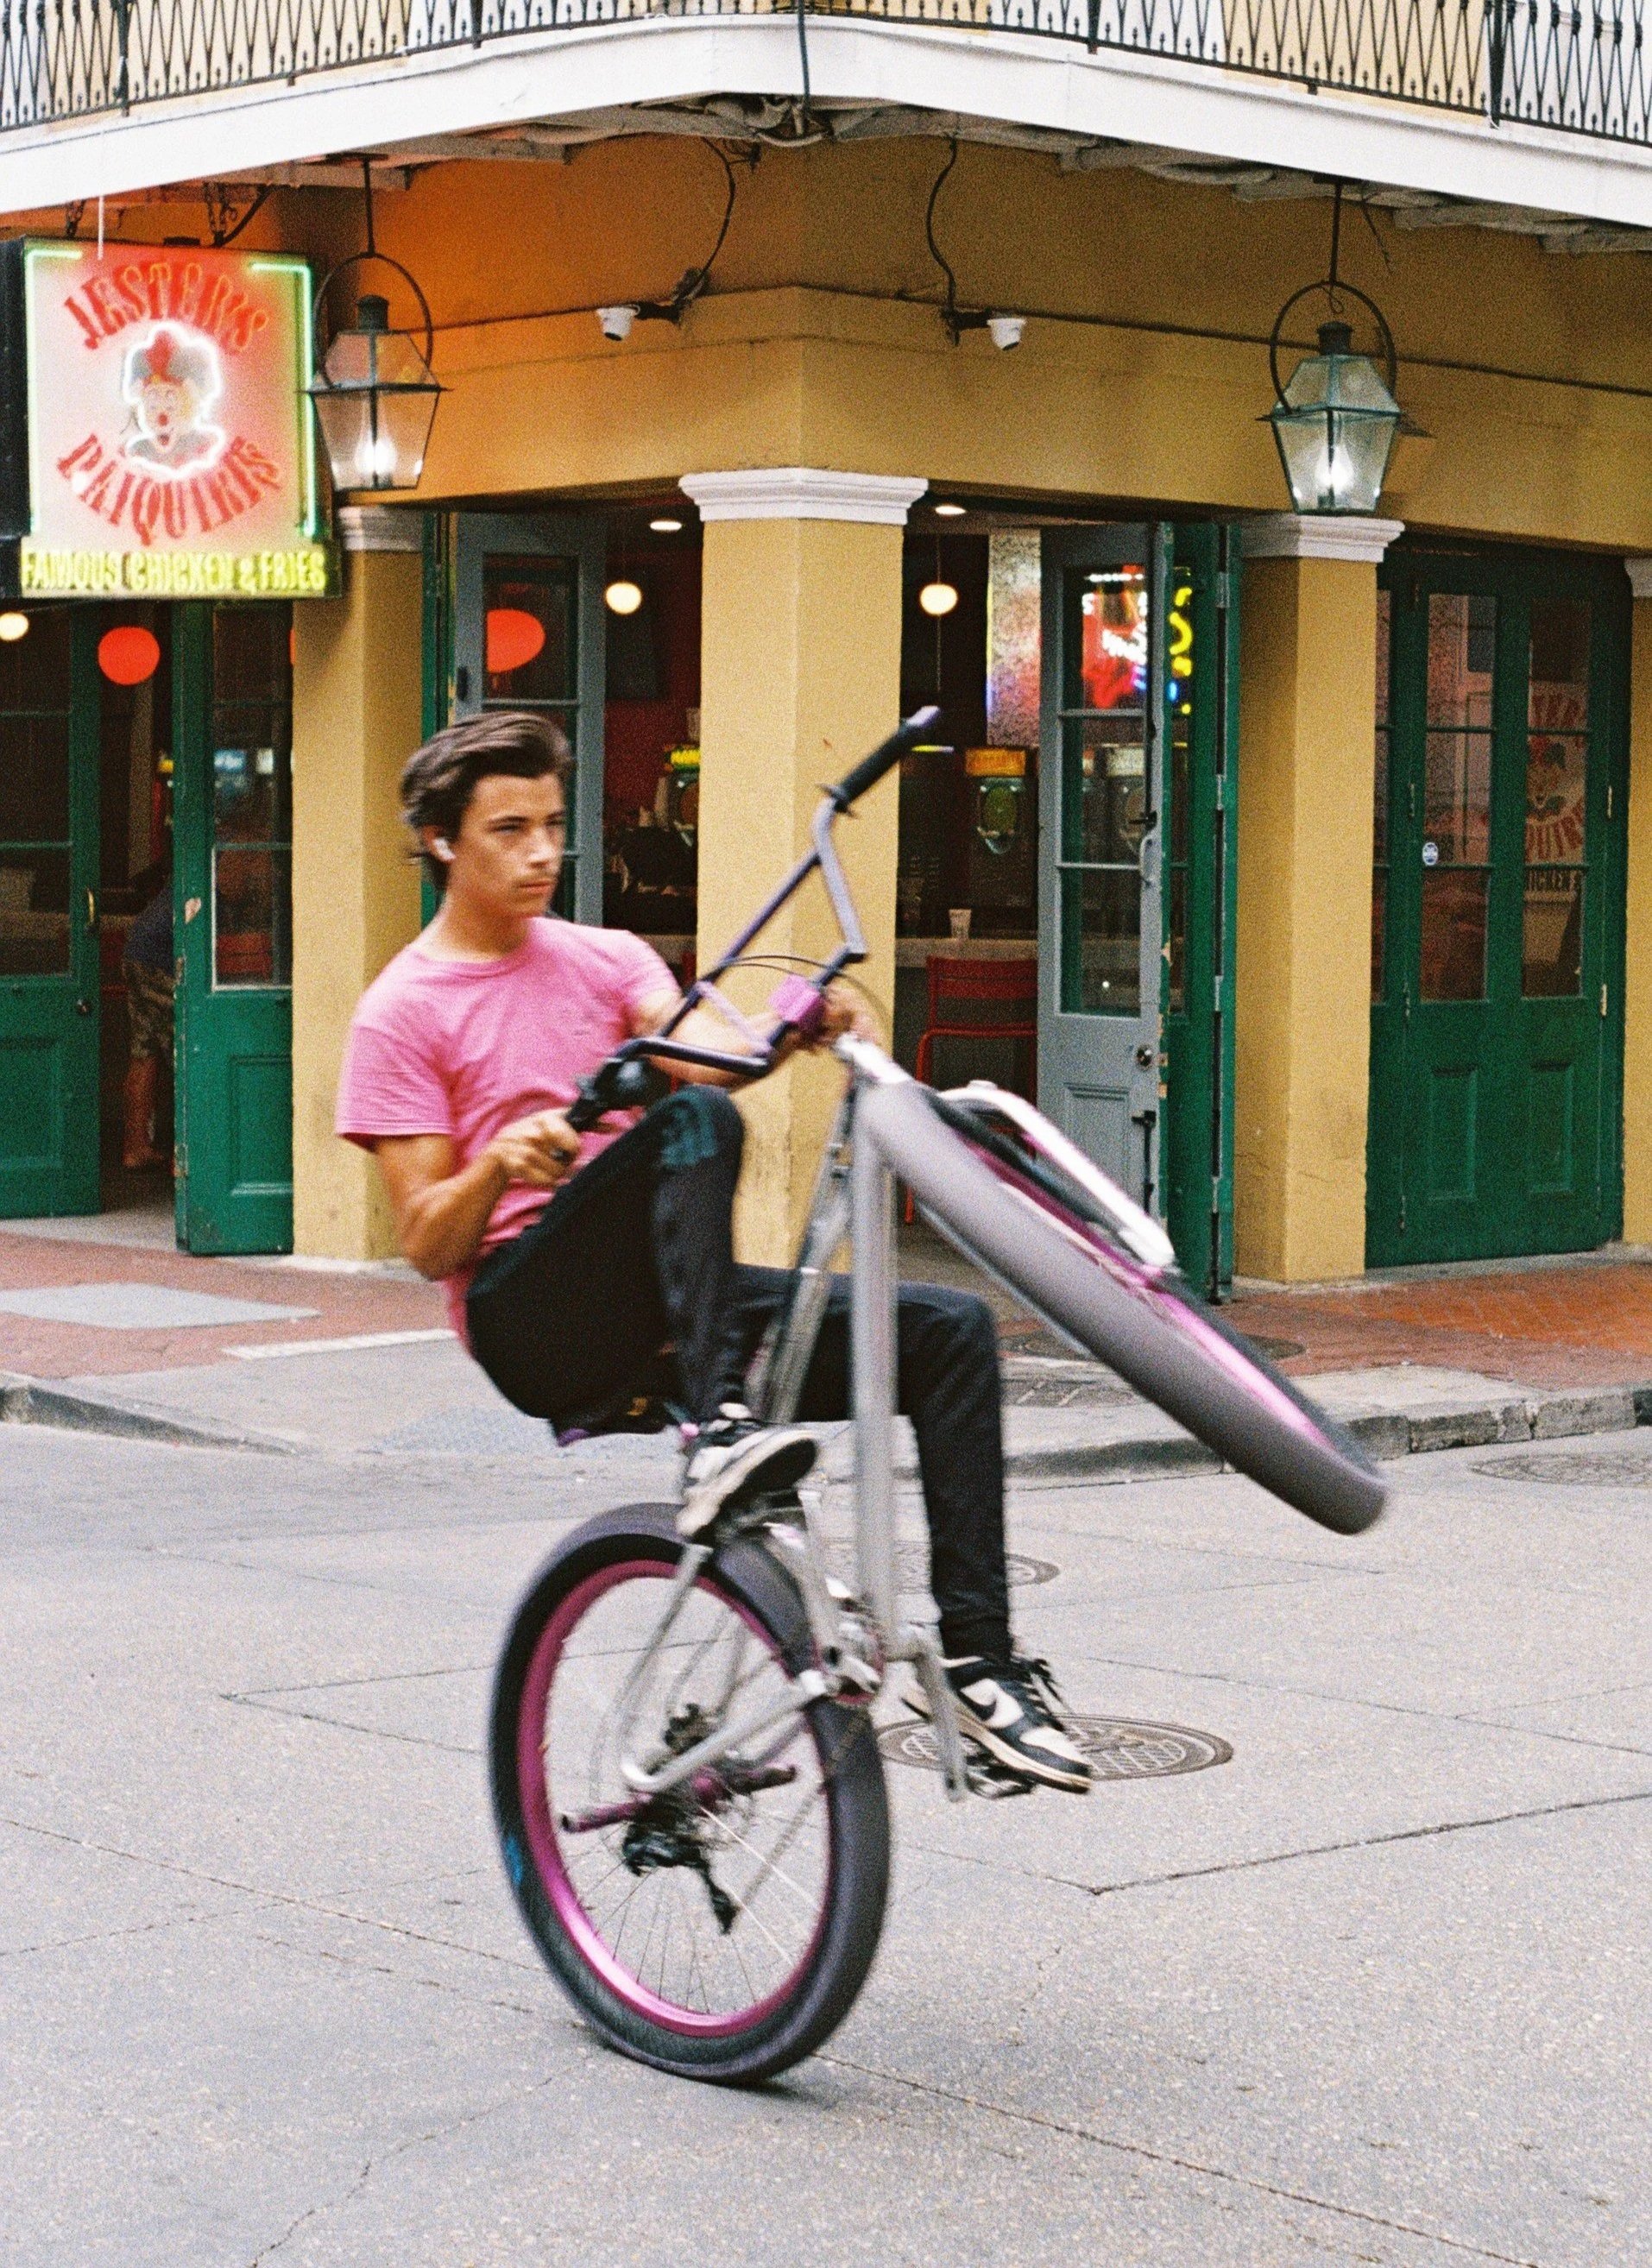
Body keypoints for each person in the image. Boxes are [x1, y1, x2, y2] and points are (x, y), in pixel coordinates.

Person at [335, 711, 1091, 1794]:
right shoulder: (400, 1011)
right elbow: (424, 1240)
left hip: (666, 1301)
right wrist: (500, 1162)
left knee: (948, 1334)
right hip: (530, 1313)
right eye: (509, 829)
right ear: (443, 841)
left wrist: (793, 1024)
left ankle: (980, 1667)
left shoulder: (604, 959)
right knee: (691, 1127)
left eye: (554, 825)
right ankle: (718, 1429)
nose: (543, 853)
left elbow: (711, 1057)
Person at [122, 858, 173, 1172]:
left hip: (139, 953)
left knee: (145, 1052)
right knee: (193, 1045)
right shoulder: (229, 850)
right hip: (157, 961)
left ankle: (136, 1147)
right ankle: (187, 1157)